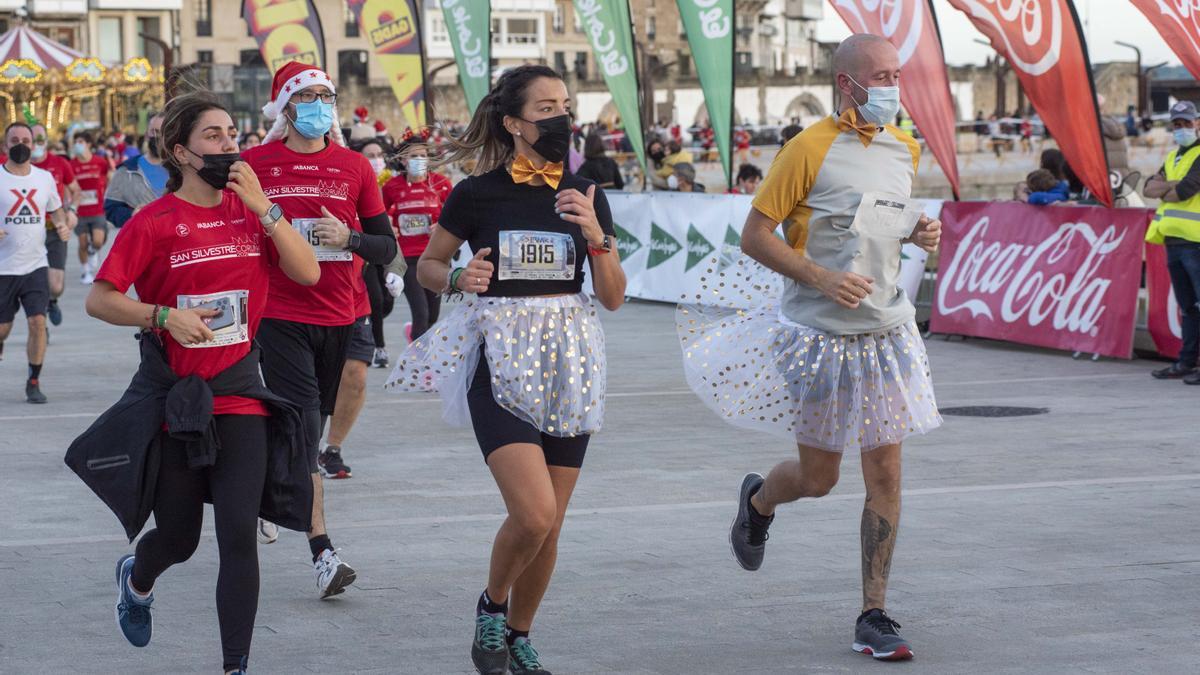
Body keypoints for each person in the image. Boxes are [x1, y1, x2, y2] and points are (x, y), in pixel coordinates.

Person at [677, 34, 942, 662]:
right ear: (847, 83)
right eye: (881, 76)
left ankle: (872, 614)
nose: (892, 87)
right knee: (820, 478)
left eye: (897, 75)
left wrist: (920, 232)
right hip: (818, 337)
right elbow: (754, 235)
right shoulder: (808, 148)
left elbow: (885, 226)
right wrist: (820, 277)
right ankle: (759, 500)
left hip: (885, 333)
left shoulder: (904, 147)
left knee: (885, 473)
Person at [386, 64, 625, 675]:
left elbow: (616, 294)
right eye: (545, 109)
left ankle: (520, 635)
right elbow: (428, 267)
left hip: (570, 360)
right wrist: (461, 277)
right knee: (533, 513)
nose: (561, 118)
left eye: (565, 105)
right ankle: (491, 609)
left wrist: (595, 232)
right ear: (515, 122)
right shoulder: (476, 192)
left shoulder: (587, 190)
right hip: (500, 357)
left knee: (552, 526)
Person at [73, 92, 320, 674]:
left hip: (241, 395)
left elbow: (307, 271)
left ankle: (236, 665)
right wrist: (163, 316)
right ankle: (137, 577)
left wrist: (265, 208)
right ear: (181, 152)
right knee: (180, 539)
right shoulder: (154, 222)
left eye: (232, 132)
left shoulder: (252, 213)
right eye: (213, 135)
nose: (229, 143)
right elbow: (99, 299)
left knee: (238, 535)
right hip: (177, 402)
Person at [243, 60, 398, 597]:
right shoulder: (255, 163)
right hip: (282, 316)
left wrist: (349, 239)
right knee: (305, 432)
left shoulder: (355, 166)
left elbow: (388, 247)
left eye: (325, 97)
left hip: (345, 311)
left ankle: (267, 489)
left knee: (312, 418)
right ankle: (323, 552)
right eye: (307, 97)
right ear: (284, 107)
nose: (318, 106)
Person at [0, 122, 69, 403]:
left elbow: (56, 209)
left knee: (37, 322)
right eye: (14, 139)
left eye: (26, 140)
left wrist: (63, 225)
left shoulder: (44, 179)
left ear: (34, 145)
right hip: (3, 269)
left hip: (35, 265)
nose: (21, 144)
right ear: (5, 146)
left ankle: (33, 380)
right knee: (2, 329)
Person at [1144, 100, 1200, 385]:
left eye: (1186, 124)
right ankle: (1187, 361)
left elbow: (1186, 191)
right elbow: (1147, 187)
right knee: (1188, 307)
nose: (1181, 129)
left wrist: (1165, 188)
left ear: (1197, 123)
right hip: (1175, 241)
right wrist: (1169, 187)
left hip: (1196, 242)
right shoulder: (1173, 156)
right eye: (1176, 125)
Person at [382, 127, 451, 345]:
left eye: (423, 155)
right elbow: (378, 216)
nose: (419, 159)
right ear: (403, 160)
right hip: (408, 259)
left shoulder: (441, 184)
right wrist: (388, 227)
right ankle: (419, 366)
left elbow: (456, 217)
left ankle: (414, 334)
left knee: (432, 315)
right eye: (414, 156)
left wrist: (442, 225)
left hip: (435, 257)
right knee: (421, 314)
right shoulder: (391, 187)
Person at [26, 124, 80, 327]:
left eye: (41, 139)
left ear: (46, 141)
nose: (37, 145)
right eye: (34, 140)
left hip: (57, 229)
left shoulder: (59, 163)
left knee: (56, 285)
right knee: (36, 279)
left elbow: (75, 190)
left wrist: (73, 210)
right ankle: (39, 321)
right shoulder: (17, 165)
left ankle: (51, 301)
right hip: (29, 231)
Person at [104, 112, 166, 229]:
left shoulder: (184, 169)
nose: (159, 137)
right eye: (154, 132)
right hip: (144, 241)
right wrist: (131, 215)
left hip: (180, 241)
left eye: (164, 132)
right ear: (147, 134)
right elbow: (111, 208)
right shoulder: (127, 170)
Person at [69, 131, 112, 284]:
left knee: (98, 241)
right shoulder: (71, 164)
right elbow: (68, 186)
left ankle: (93, 251)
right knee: (82, 243)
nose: (77, 145)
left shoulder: (99, 162)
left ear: (88, 144)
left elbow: (108, 177)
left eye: (80, 141)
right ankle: (85, 271)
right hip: (80, 210)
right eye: (76, 142)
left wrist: (108, 196)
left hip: (97, 209)